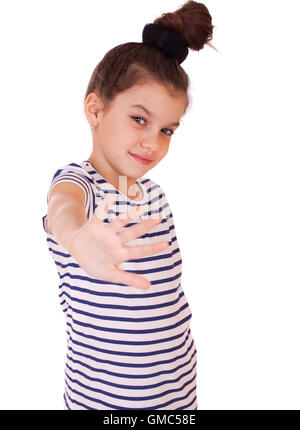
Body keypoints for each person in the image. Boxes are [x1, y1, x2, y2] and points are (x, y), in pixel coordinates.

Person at [42, 0, 215, 410]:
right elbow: (62, 207)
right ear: (96, 109)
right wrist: (77, 236)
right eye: (139, 119)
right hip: (101, 401)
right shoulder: (78, 183)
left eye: (167, 130)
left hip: (176, 392)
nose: (153, 143)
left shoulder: (154, 194)